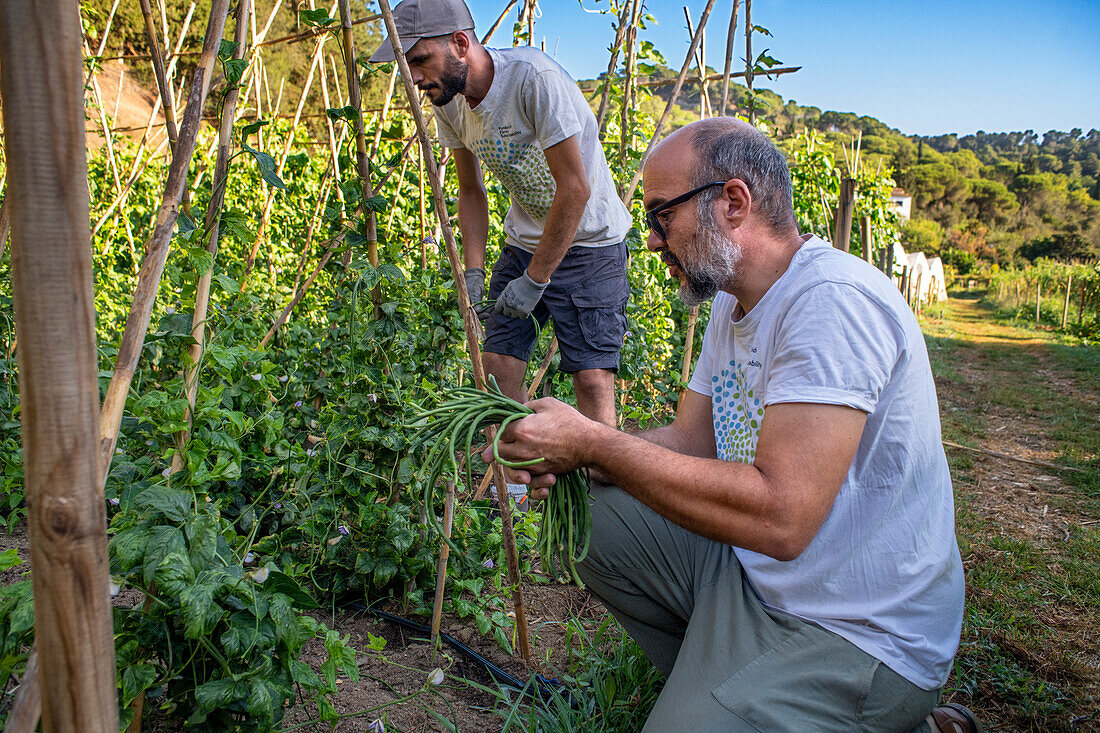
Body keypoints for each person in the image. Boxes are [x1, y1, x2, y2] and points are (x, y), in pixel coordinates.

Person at [489, 118, 979, 733]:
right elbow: (693, 442)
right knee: (594, 510)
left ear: (733, 201)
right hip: (763, 581)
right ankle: (733, 692)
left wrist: (596, 441)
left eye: (661, 216)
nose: (652, 241)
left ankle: (884, 717)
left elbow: (782, 518)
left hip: (861, 631)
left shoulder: (833, 304)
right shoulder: (735, 300)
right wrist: (577, 455)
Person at [371, 0, 632, 428]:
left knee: (592, 377)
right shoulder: (448, 100)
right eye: (408, 64)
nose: (414, 77)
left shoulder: (533, 80)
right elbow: (471, 193)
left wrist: (535, 280)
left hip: (591, 243)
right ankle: (514, 490)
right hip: (524, 242)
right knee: (497, 369)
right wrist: (473, 271)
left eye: (421, 60)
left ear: (459, 44)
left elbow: (575, 189)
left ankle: (600, 489)